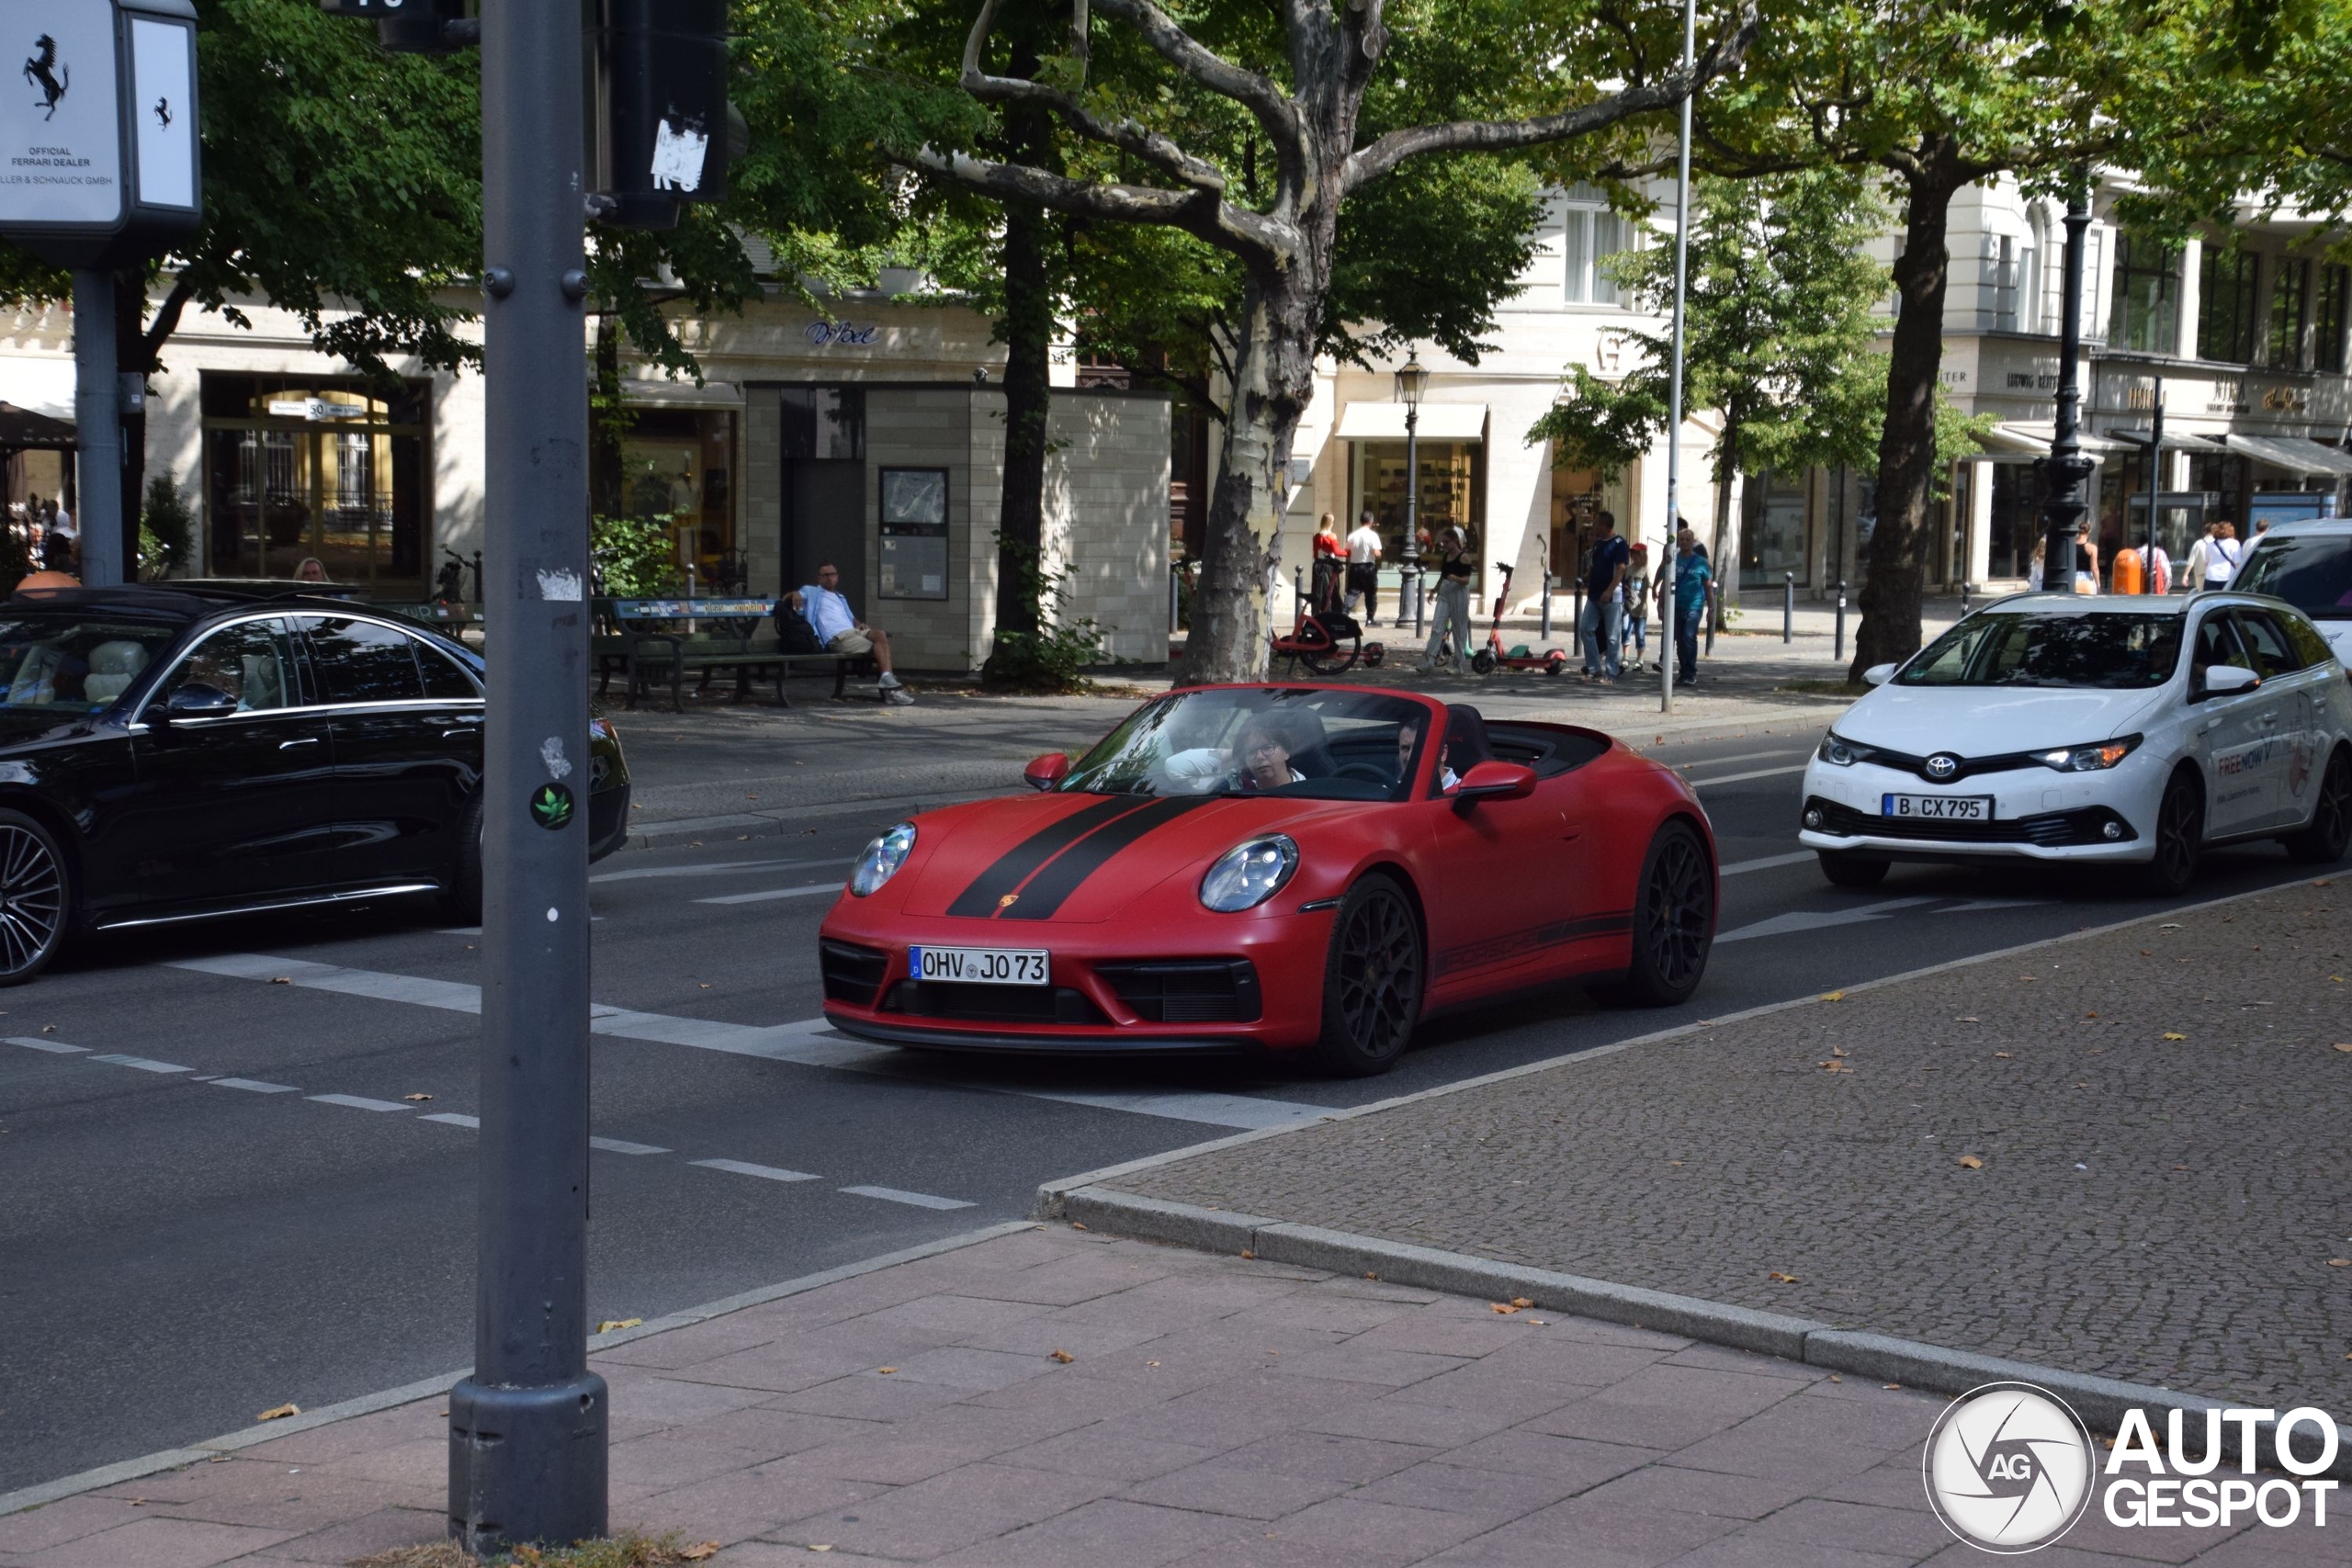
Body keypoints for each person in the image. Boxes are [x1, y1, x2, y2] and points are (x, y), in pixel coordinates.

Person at [786, 561, 913, 705]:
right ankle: (891, 691)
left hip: (853, 633)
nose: (830, 577)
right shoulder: (811, 591)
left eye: (833, 574)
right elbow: (795, 595)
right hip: (837, 638)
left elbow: (851, 618)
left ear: (837, 577)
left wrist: (860, 625)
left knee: (880, 635)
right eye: (825, 575)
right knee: (881, 648)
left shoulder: (840, 597)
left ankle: (886, 680)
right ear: (819, 578)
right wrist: (795, 593)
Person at [1660, 522, 1713, 687]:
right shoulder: (1672, 561)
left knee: (1689, 636)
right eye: (1681, 539)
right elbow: (1665, 583)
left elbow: (1708, 587)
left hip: (1694, 606)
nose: (1683, 542)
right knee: (1680, 640)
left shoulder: (1701, 563)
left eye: (1687, 540)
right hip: (1675, 606)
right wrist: (1660, 604)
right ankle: (1683, 672)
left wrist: (1711, 609)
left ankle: (1690, 672)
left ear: (1692, 542)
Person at [1578, 510, 1628, 682]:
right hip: (1594, 595)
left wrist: (1609, 590)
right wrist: (1587, 576)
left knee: (1613, 636)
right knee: (1586, 628)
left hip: (1612, 597)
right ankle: (1594, 668)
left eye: (1596, 523)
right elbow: (1595, 565)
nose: (1593, 527)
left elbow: (1621, 568)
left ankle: (1612, 673)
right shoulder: (1598, 544)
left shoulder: (1619, 543)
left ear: (1605, 525)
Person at [1419, 523, 1476, 674]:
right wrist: (1434, 590)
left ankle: (1458, 664)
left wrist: (1456, 578)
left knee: (1459, 628)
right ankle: (1430, 661)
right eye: (1442, 542)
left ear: (1454, 541)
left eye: (1446, 542)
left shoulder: (1463, 557)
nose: (1443, 545)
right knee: (1437, 627)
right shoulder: (1446, 557)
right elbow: (1443, 576)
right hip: (1445, 593)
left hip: (1458, 593)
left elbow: (1466, 580)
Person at [1343, 512, 1384, 625]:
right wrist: (1380, 554)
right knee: (1370, 593)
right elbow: (1376, 553)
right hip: (1368, 567)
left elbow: (1347, 552)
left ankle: (1344, 613)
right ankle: (1370, 619)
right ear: (1371, 521)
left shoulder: (1352, 536)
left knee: (1352, 592)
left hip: (1355, 566)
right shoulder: (1373, 536)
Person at [2184, 520, 2243, 592]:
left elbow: (2207, 561)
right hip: (2229, 576)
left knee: (2210, 599)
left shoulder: (2210, 545)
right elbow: (2238, 562)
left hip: (2211, 576)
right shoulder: (2234, 544)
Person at [1620, 541, 1650, 670]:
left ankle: (1640, 659)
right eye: (1632, 554)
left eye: (1637, 554)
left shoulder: (1646, 570)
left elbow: (1648, 586)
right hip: (1628, 606)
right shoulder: (1628, 569)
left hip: (1641, 608)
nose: (1634, 557)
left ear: (1643, 555)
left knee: (1640, 633)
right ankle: (1625, 657)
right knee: (1625, 629)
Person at [1310, 513, 1345, 615]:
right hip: (1329, 566)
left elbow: (1316, 552)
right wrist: (1349, 552)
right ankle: (1331, 612)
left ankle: (1317, 612)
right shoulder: (1331, 536)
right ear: (1330, 523)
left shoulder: (1316, 536)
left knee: (1318, 590)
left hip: (1318, 565)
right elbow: (1337, 551)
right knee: (1331, 591)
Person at [44, 501, 76, 572]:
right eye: (73, 519)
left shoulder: (81, 533)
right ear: (69, 518)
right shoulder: (60, 531)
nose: (75, 521)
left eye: (77, 519)